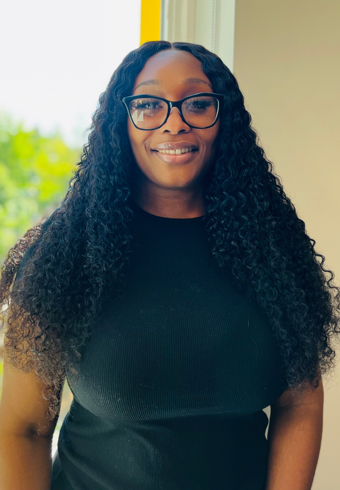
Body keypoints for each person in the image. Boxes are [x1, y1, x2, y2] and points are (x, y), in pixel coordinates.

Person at [0, 41, 339, 490]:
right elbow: (23, 428)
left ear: (225, 121)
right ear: (122, 122)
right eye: (148, 104)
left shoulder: (272, 250)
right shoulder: (65, 253)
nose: (174, 121)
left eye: (198, 104)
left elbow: (300, 403)